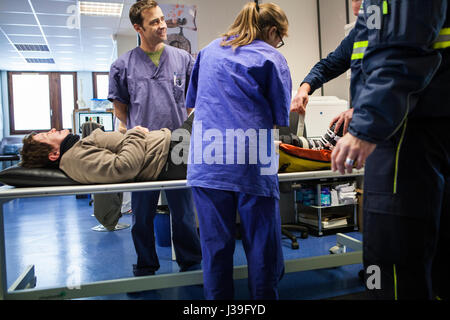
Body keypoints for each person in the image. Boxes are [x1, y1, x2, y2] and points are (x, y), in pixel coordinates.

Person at [331, 0, 450, 300]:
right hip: (418, 120)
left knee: (390, 261)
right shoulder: (371, 12)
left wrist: (367, 124)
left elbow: (401, 49)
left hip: (405, 129)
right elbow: (369, 52)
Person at [186, 1, 291, 299]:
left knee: (215, 250)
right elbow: (280, 117)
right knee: (262, 249)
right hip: (252, 158)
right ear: (272, 31)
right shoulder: (271, 57)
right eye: (280, 38)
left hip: (207, 161)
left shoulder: (206, 51)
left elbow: (193, 103)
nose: (279, 43)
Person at [108, 0, 201, 276]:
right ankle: (146, 265)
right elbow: (120, 109)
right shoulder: (122, 65)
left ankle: (191, 263)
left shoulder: (183, 59)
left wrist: (180, 126)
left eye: (162, 19)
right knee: (142, 214)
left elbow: (191, 102)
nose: (162, 25)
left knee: (183, 213)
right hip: (143, 149)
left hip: (177, 146)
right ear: (138, 28)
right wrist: (140, 130)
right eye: (154, 22)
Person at [290, 0, 362, 135]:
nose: (355, 9)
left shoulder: (398, 31)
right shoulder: (358, 34)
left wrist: (364, 111)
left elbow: (398, 82)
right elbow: (328, 66)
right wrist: (304, 89)